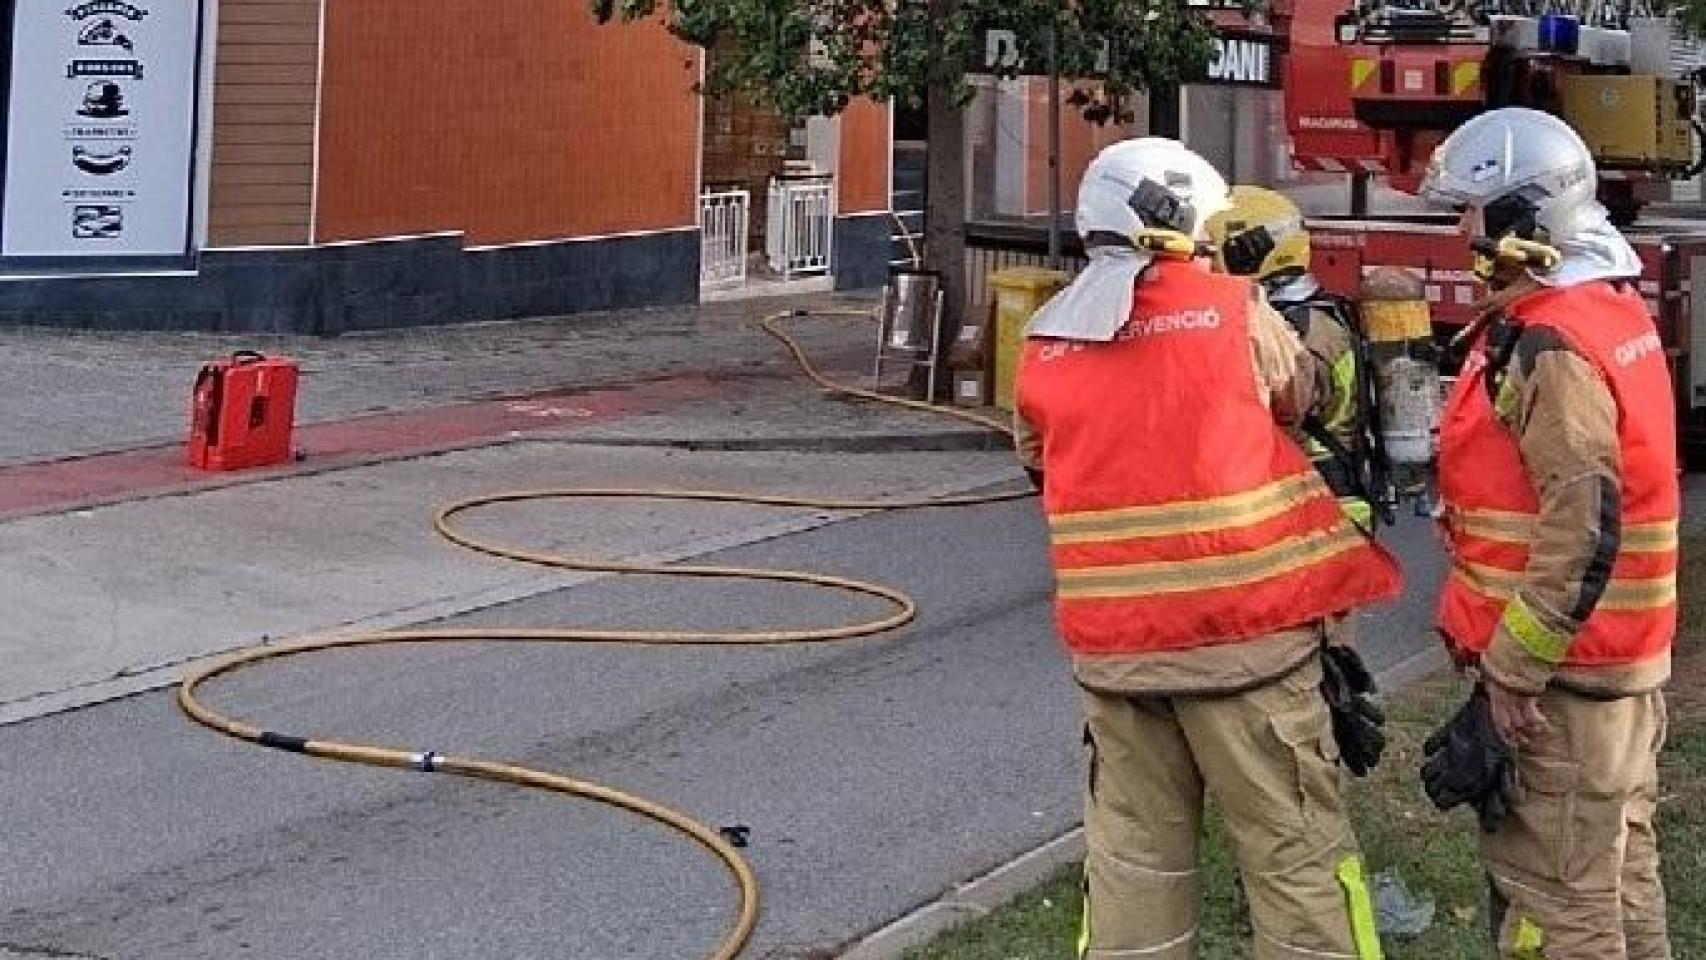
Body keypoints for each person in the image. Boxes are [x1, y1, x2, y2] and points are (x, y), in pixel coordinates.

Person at [1012, 137, 1402, 960]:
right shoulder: (1234, 308)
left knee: (1134, 872)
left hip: (1117, 662)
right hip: (1246, 655)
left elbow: (1037, 457)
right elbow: (1301, 396)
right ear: (1184, 219)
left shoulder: (1047, 334)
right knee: (1298, 866)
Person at [1417, 107, 1678, 959]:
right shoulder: (1608, 309)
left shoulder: (1553, 344)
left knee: (1553, 909)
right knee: (1620, 878)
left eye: (1471, 211)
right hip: (1616, 668)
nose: (1461, 231)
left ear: (1521, 219)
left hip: (1560, 689)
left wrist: (1512, 675)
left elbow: (1582, 520)